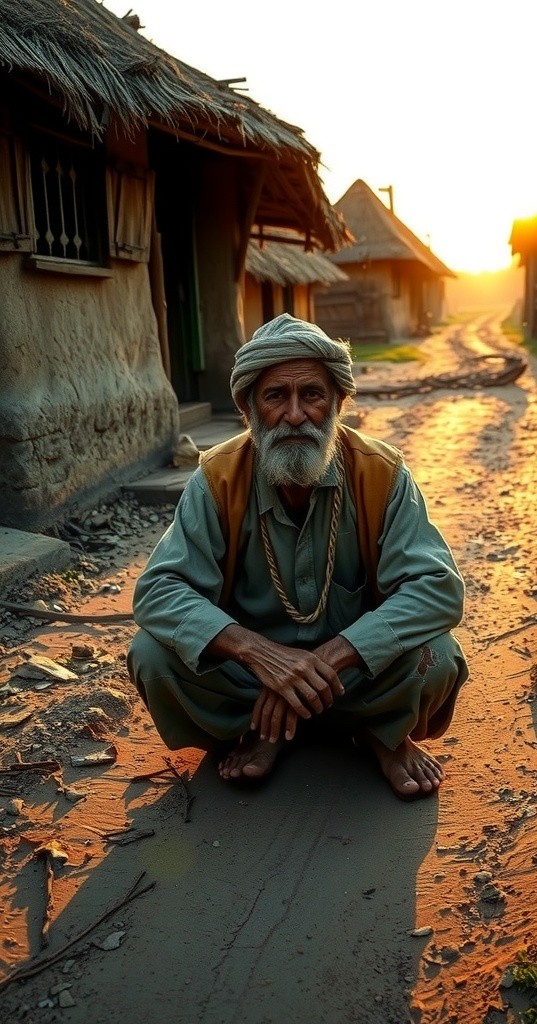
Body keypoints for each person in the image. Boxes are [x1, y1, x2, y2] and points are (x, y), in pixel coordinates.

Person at [128, 314, 468, 800]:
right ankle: (262, 727)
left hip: (358, 676)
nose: (294, 415)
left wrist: (331, 657)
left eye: (311, 395)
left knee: (436, 659)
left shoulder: (381, 473)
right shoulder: (218, 479)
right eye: (275, 397)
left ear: (338, 403)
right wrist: (258, 654)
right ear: (248, 409)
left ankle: (382, 735)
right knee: (152, 657)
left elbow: (437, 588)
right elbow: (159, 591)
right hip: (252, 681)